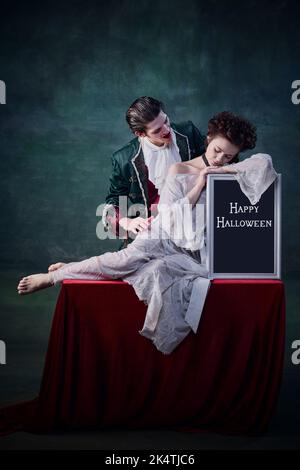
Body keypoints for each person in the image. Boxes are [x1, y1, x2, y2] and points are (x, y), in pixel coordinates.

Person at [17, 112, 278, 354]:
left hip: (192, 249)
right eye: (217, 150)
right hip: (162, 233)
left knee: (143, 270)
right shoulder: (179, 169)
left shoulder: (228, 171)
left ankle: (76, 267)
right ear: (208, 139)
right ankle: (53, 278)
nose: (220, 158)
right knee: (126, 261)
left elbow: (264, 164)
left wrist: (225, 171)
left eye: (229, 156)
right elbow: (169, 215)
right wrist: (200, 184)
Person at [102, 96, 206, 244]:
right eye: (157, 130)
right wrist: (127, 221)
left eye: (165, 120)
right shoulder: (123, 159)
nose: (166, 129)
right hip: (153, 230)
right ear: (141, 134)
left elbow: (216, 162)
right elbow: (114, 200)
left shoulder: (189, 133)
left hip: (195, 223)